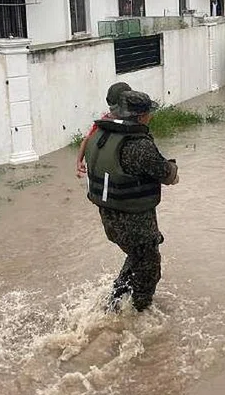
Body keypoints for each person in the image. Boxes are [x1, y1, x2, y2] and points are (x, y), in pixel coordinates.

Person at [83, 91, 179, 312]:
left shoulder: (100, 135)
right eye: (148, 113)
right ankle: (138, 316)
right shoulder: (138, 146)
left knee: (136, 256)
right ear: (141, 116)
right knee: (149, 270)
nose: (150, 117)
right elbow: (167, 175)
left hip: (110, 218)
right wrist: (173, 168)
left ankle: (114, 304)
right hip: (135, 222)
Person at [75, 82, 131, 178]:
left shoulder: (103, 122)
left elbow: (87, 139)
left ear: (108, 101)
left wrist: (79, 161)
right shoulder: (132, 122)